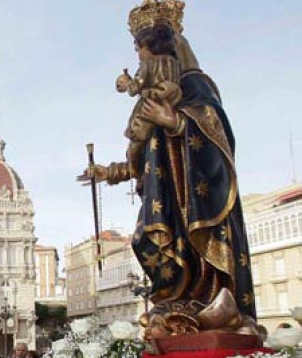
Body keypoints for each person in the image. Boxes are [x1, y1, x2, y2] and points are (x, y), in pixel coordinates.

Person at [80, 3, 258, 340]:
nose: (138, 57)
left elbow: (217, 133)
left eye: (140, 48)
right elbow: (141, 160)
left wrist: (175, 121)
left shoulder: (195, 85)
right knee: (145, 241)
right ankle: (178, 302)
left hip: (195, 195)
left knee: (192, 250)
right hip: (163, 194)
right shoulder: (152, 96)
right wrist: (106, 172)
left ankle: (210, 303)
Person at [116, 23, 182, 188]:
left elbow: (135, 88)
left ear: (148, 47)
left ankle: (136, 173)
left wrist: (126, 83)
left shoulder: (147, 65)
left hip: (150, 110)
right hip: (169, 102)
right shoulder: (174, 63)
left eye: (138, 49)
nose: (138, 54)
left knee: (136, 145)